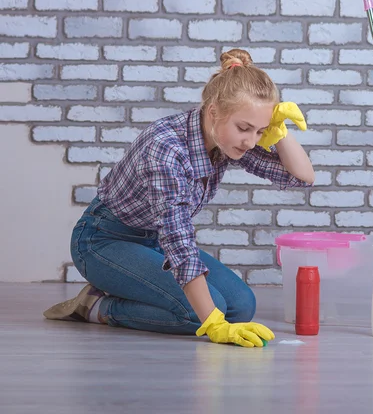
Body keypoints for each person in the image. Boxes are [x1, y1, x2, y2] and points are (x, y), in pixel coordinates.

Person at [43, 49, 315, 348]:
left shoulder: (225, 139)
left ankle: (138, 286)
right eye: (244, 128)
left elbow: (301, 177)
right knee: (202, 315)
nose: (251, 141)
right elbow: (178, 240)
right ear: (213, 112)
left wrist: (279, 132)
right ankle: (97, 307)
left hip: (154, 242)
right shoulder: (166, 148)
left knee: (241, 307)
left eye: (259, 130)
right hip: (105, 241)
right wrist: (212, 322)